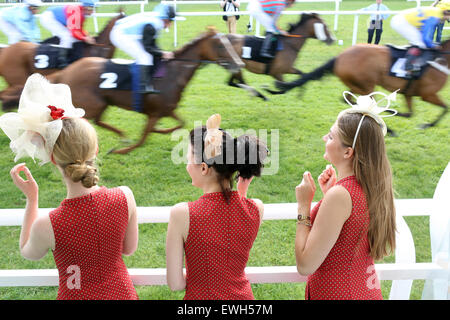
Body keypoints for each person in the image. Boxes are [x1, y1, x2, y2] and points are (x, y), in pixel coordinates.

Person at [0, 74, 139, 300]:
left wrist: (32, 199)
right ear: (94, 150)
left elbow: (28, 251)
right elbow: (128, 249)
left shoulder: (48, 224)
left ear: (53, 159)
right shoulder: (125, 196)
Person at [294, 91, 398, 300]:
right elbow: (351, 232)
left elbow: (305, 265)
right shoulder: (371, 187)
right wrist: (328, 195)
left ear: (348, 152)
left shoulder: (341, 196)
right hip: (363, 291)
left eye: (331, 136)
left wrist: (304, 204)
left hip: (339, 294)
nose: (325, 138)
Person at [166, 114, 267, 299]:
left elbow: (176, 283)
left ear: (204, 168)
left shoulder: (182, 214)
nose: (187, 166)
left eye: (189, 159)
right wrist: (241, 193)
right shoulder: (256, 209)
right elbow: (231, 226)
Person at [109, 4, 176, 111]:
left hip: (123, 31)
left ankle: (145, 82)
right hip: (119, 35)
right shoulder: (152, 25)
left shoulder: (156, 20)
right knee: (144, 57)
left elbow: (152, 44)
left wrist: (161, 52)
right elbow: (148, 47)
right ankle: (142, 88)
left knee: (147, 56)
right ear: (165, 19)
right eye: (170, 21)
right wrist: (163, 54)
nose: (170, 25)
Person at [390, 1, 450, 74]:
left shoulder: (435, 12)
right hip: (401, 22)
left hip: (401, 20)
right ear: (446, 11)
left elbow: (423, 33)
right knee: (420, 43)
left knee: (420, 42)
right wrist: (433, 46)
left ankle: (411, 58)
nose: (448, 19)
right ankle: (408, 66)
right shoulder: (434, 16)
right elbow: (426, 38)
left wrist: (430, 44)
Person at [39, 0, 98, 68]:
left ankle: (70, 56)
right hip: (49, 18)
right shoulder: (77, 13)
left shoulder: (82, 13)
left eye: (94, 9)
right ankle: (61, 61)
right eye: (92, 9)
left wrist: (87, 36)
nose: (93, 11)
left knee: (70, 37)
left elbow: (79, 29)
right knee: (66, 36)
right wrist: (85, 38)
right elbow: (74, 32)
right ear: (86, 8)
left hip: (54, 17)